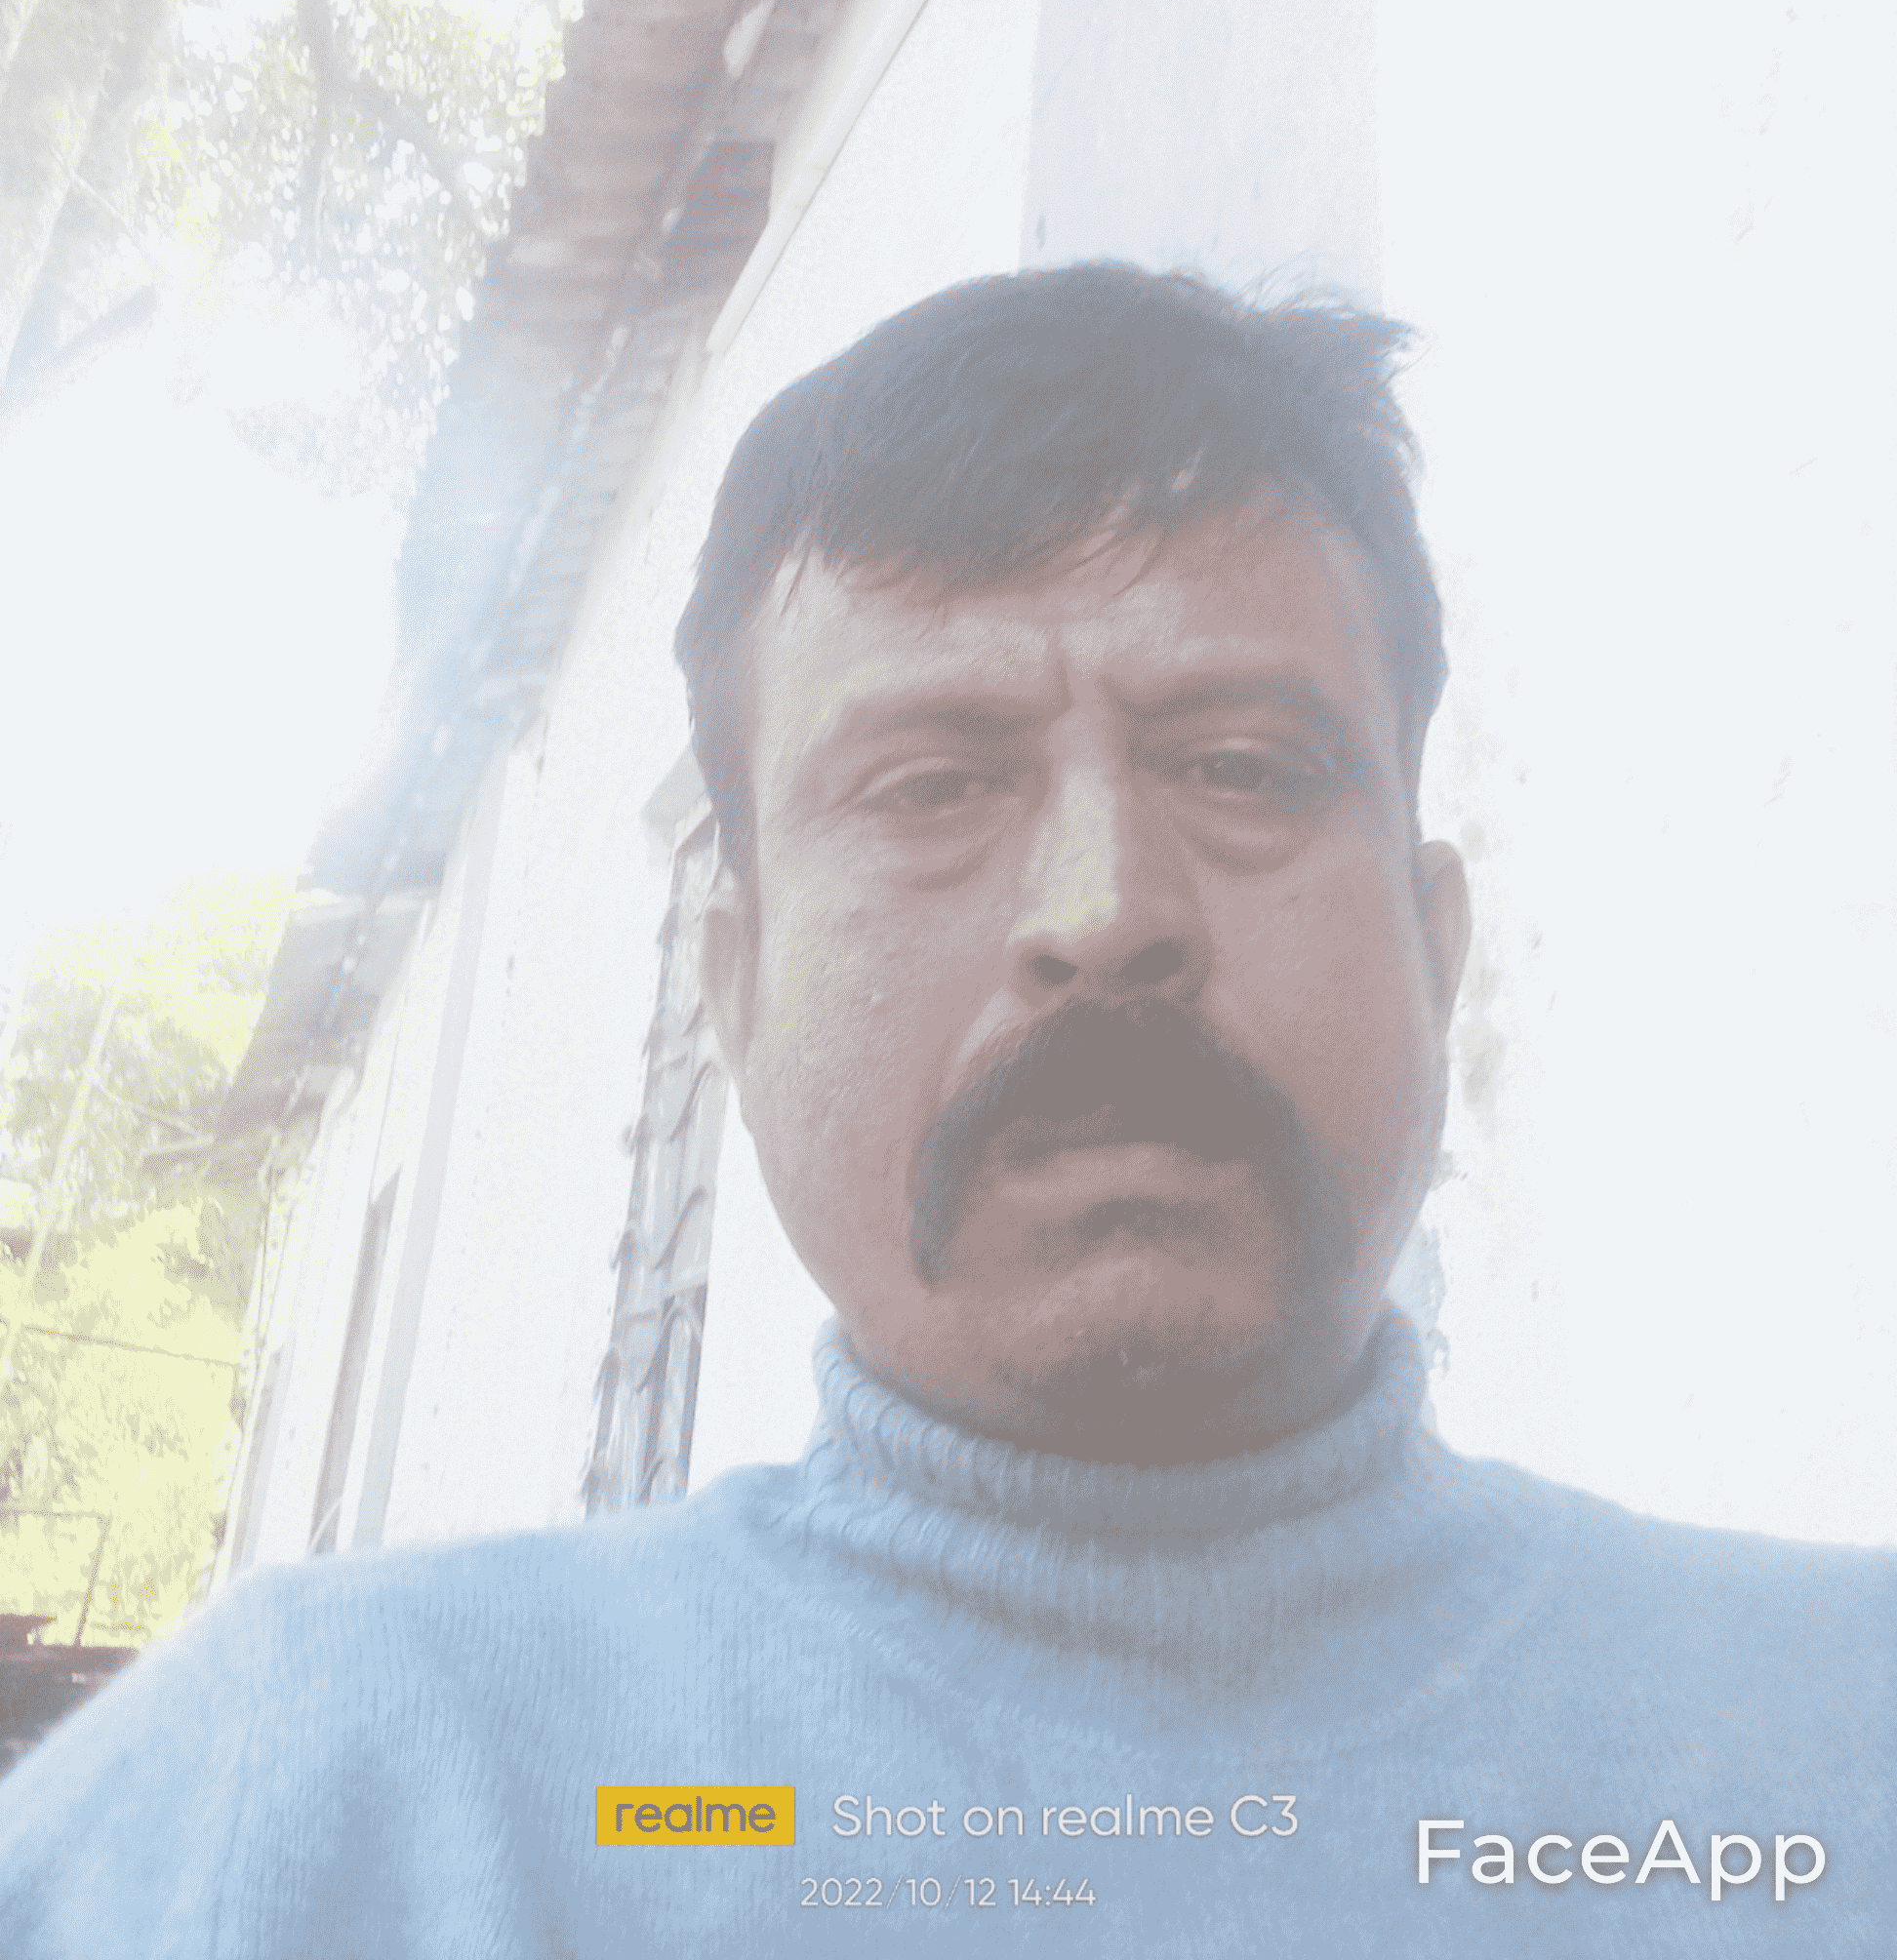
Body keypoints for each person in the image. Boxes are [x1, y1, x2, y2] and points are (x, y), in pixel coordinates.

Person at [0, 264, 1888, 1954]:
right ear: (734, 992)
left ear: (1436, 941)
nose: (1105, 911)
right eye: (931, 787)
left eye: (1241, 766)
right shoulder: (306, 1812)